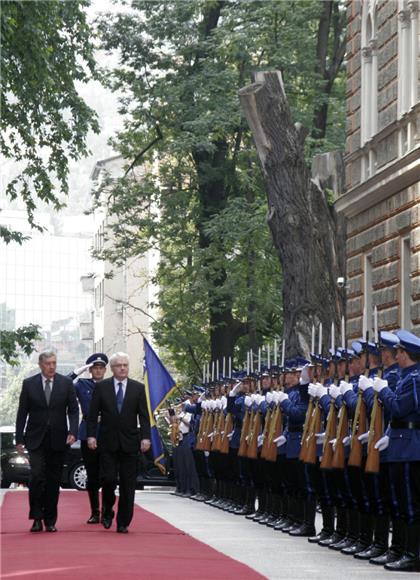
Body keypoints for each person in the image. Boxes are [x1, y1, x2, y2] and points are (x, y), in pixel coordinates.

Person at [87, 352, 151, 533]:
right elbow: (92, 415)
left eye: (125, 365)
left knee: (127, 484)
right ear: (112, 368)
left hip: (130, 443)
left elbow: (144, 417)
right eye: (119, 365)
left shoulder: (138, 388)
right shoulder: (102, 387)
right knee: (108, 479)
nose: (122, 368)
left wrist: (145, 437)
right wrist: (91, 436)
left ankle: (123, 521)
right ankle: (107, 509)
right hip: (107, 442)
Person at [15, 350, 79, 533]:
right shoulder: (29, 384)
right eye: (48, 363)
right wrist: (19, 439)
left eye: (54, 363)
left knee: (53, 480)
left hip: (58, 439)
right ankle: (36, 518)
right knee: (36, 476)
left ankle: (50, 520)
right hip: (35, 439)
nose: (52, 366)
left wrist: (73, 431)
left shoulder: (66, 383)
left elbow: (73, 410)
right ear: (40, 365)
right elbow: (22, 414)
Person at [69, 352, 108, 524]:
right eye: (95, 368)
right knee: (91, 474)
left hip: (107, 432)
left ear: (105, 370)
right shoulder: (82, 384)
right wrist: (77, 372)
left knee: (108, 475)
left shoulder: (110, 385)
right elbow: (62, 385)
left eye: (101, 368)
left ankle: (107, 510)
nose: (98, 371)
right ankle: (95, 511)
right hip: (87, 432)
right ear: (90, 370)